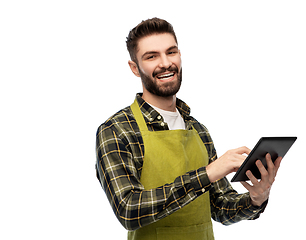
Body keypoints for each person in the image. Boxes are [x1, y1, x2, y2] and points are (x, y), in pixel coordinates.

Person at [95, 17, 282, 240]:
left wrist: (256, 198)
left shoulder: (198, 130)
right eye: (151, 56)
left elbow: (221, 207)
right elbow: (129, 210)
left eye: (171, 52)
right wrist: (207, 174)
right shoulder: (116, 130)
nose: (165, 63)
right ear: (135, 68)